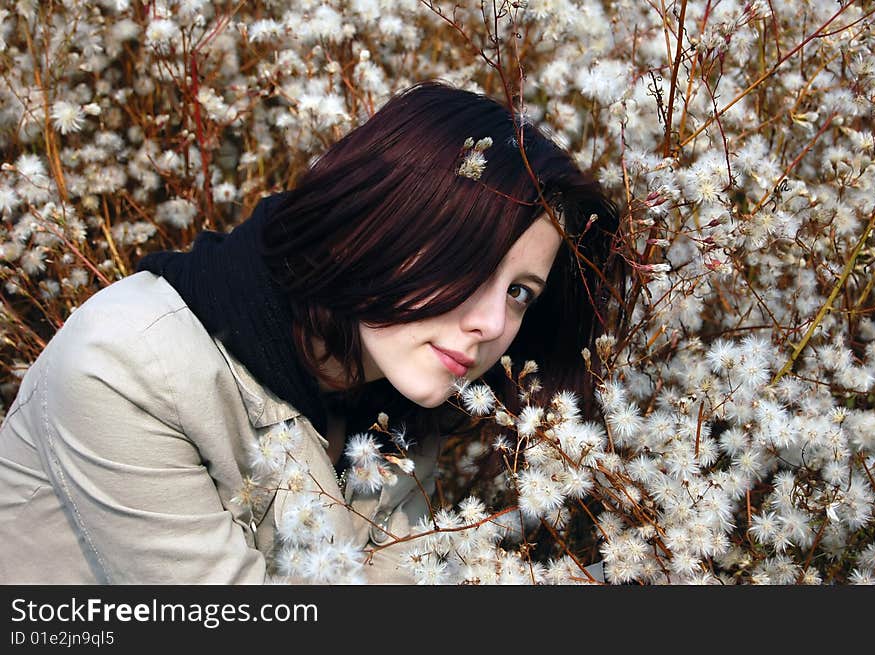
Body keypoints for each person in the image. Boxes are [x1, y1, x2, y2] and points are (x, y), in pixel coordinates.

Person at [0, 81, 618, 584]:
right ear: (377, 226)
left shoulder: (396, 390)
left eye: (519, 293)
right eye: (469, 264)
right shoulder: (126, 367)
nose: (490, 323)